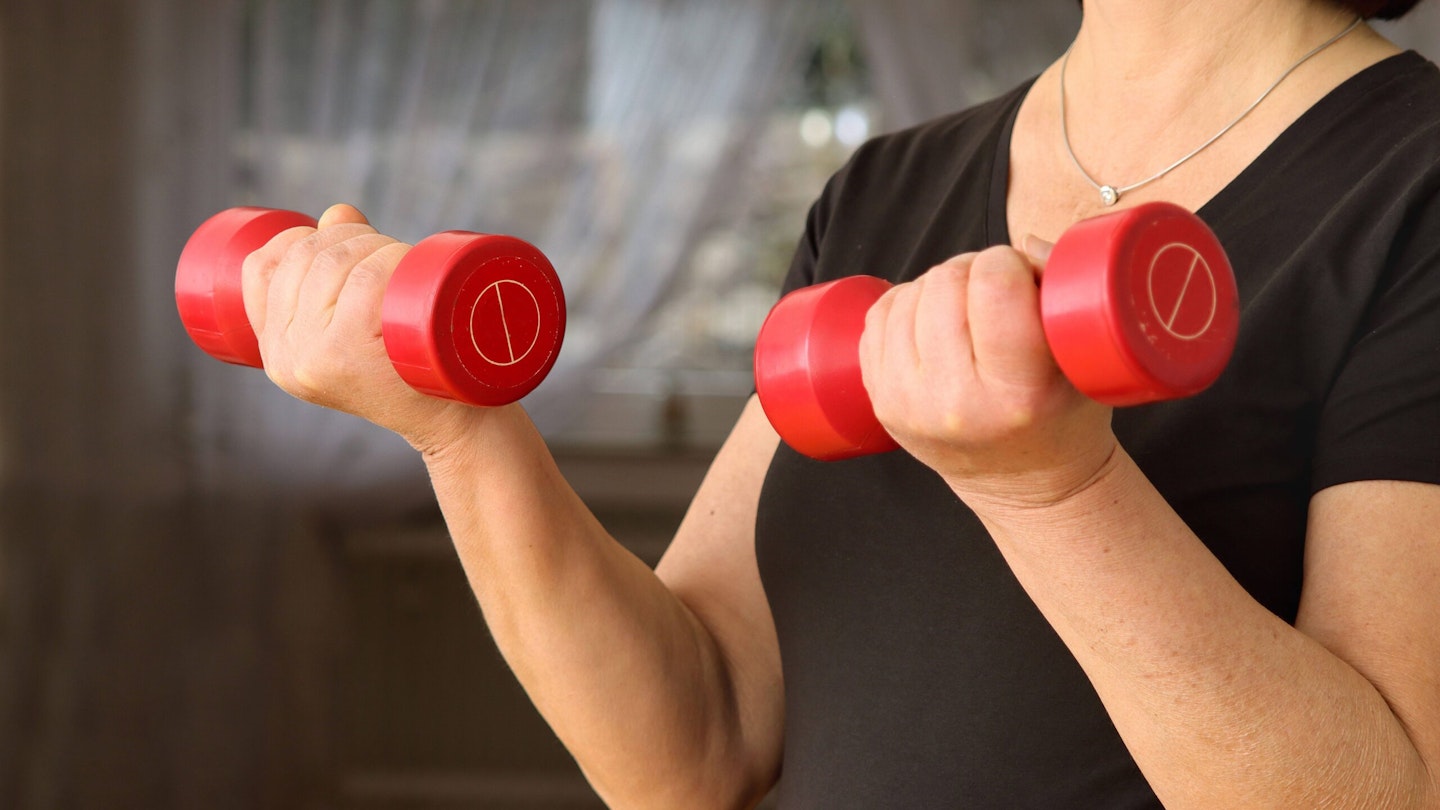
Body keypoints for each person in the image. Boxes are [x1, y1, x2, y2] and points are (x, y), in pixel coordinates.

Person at [238, 0, 1440, 806]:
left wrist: (1051, 488)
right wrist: (458, 425)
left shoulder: (1413, 189)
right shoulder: (883, 191)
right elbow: (694, 744)